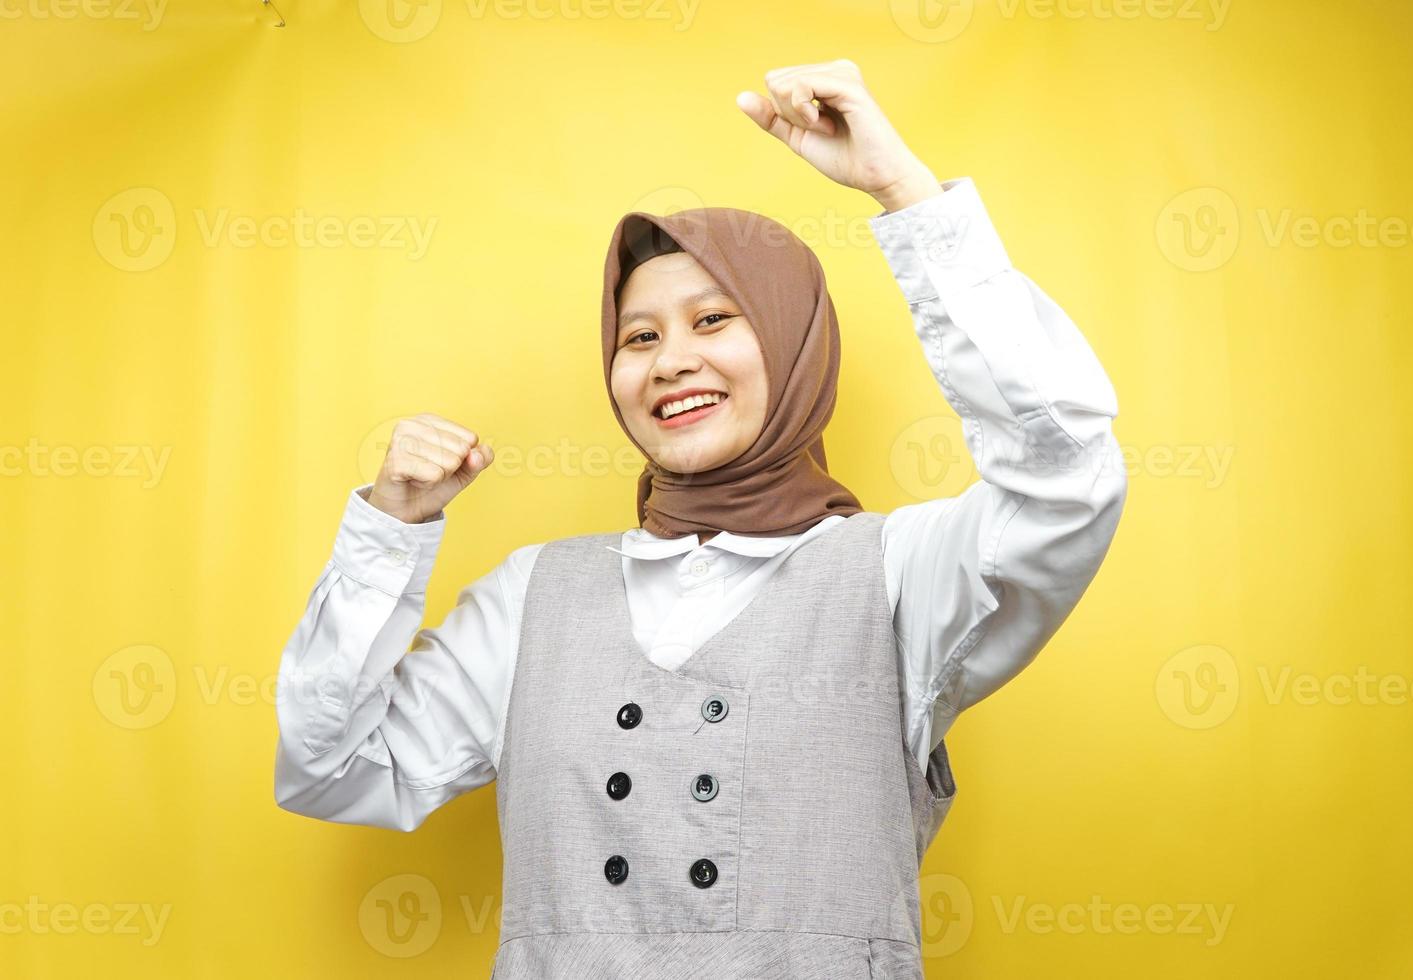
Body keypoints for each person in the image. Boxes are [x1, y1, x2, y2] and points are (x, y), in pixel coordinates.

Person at [273, 59, 1127, 979]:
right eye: (638, 338)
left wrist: (903, 193)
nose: (670, 360)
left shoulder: (901, 577)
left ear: (796, 345)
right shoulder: (534, 596)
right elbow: (332, 769)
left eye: (714, 320)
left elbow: (1066, 476)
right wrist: (389, 529)